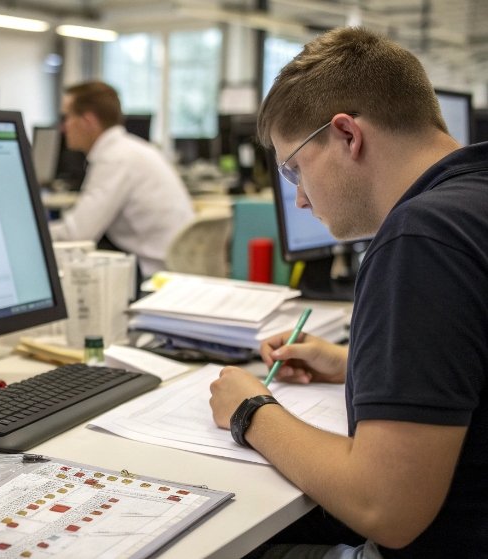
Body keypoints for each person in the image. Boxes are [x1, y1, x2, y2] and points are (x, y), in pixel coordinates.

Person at [208, 27, 488, 558]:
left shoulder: (422, 237)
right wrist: (353, 362)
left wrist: (250, 410)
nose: (301, 202)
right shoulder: (474, 198)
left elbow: (387, 509)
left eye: (294, 168)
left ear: (347, 135)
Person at [48, 80, 194, 278]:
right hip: (173, 266)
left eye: (67, 117)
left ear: (88, 121)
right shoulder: (131, 148)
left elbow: (77, 234)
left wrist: (30, 236)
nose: (63, 128)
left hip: (156, 275)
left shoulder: (115, 158)